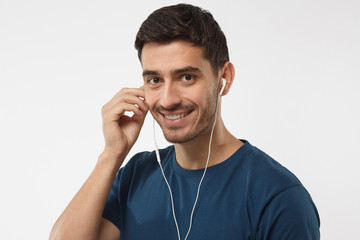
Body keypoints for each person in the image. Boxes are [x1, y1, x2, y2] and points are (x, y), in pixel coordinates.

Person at [50, 3, 320, 240]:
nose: (168, 100)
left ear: (224, 77)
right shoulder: (135, 176)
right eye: (154, 80)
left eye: (187, 77)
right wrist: (111, 154)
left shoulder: (279, 196)